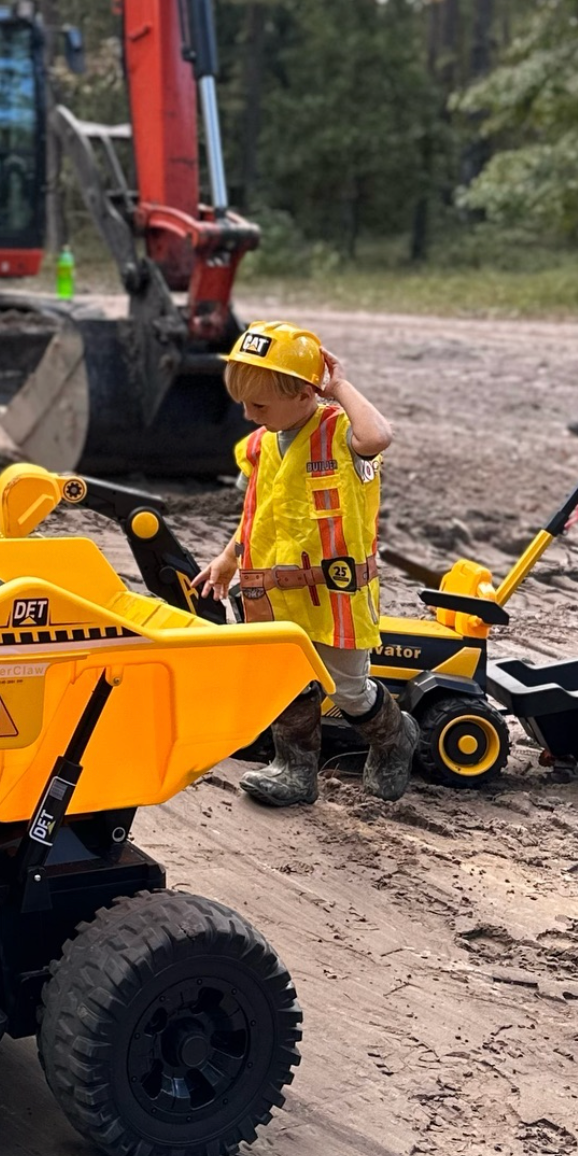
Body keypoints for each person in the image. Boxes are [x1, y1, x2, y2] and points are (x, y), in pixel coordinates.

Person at [193, 321, 417, 806]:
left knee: (348, 689)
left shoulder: (341, 436)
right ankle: (294, 771)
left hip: (334, 596)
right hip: (272, 594)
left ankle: (394, 737)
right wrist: (228, 559)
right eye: (245, 405)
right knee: (284, 681)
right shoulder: (260, 446)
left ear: (303, 393)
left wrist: (337, 386)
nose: (250, 416)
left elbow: (378, 435)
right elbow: (258, 515)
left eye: (260, 405)